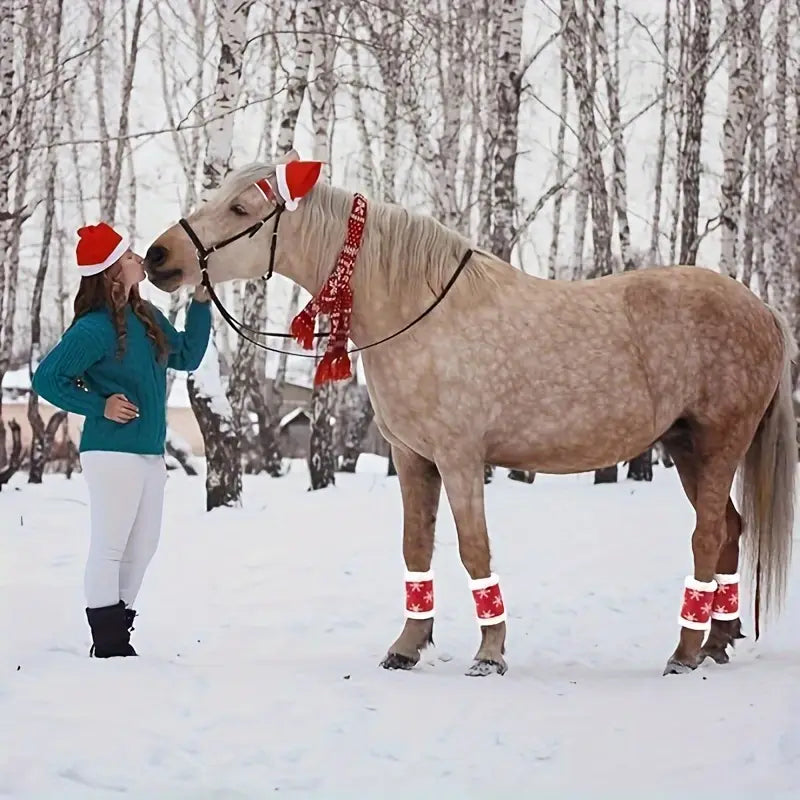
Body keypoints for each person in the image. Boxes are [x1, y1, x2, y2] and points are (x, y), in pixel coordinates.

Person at [32, 222, 212, 658]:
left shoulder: (145, 317)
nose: (137, 259)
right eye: (128, 255)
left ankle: (118, 630)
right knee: (111, 545)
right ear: (112, 270)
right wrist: (100, 404)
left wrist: (201, 301)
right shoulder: (94, 328)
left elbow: (187, 354)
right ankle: (108, 643)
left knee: (144, 545)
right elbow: (47, 379)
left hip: (148, 452)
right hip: (111, 451)